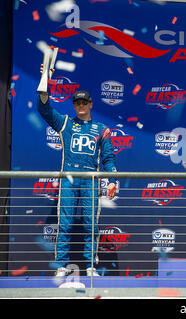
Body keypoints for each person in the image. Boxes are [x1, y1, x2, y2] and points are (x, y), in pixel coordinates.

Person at [38, 67, 117, 277]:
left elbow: (108, 158)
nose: (81, 105)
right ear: (74, 105)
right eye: (77, 103)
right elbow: (45, 111)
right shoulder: (65, 123)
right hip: (69, 179)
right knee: (65, 222)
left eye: (84, 102)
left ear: (91, 104)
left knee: (91, 224)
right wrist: (44, 90)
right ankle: (62, 265)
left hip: (91, 180)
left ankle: (91, 265)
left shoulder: (102, 129)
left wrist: (112, 180)